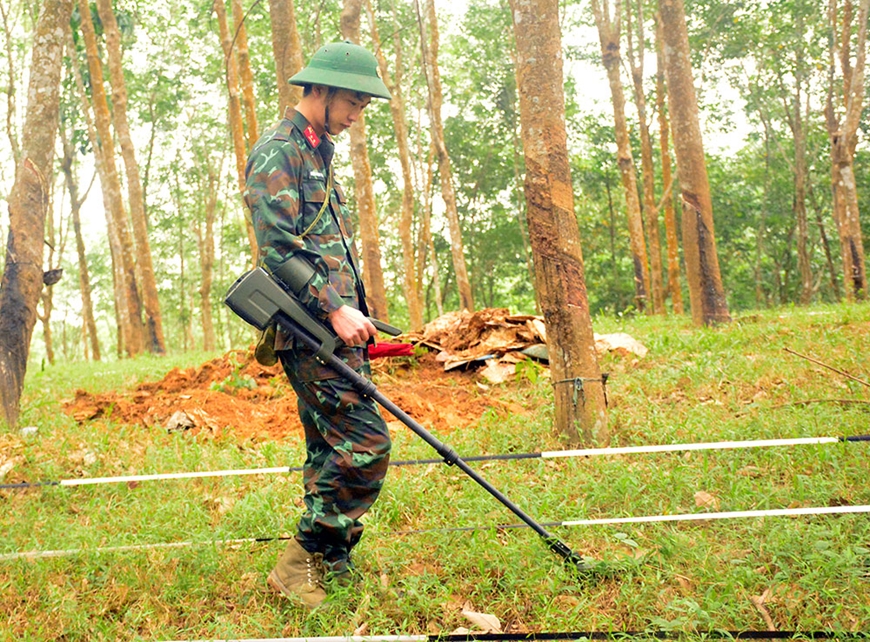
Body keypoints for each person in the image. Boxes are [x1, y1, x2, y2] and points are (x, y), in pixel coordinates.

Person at [243, 41, 393, 609]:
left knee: (328, 447)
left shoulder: (318, 152)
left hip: (335, 327)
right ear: (321, 91)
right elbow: (277, 248)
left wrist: (354, 309)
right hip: (307, 329)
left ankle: (331, 559)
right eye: (353, 102)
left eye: (362, 106)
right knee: (366, 442)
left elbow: (323, 247)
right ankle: (298, 560)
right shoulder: (277, 153)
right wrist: (332, 305)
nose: (356, 116)